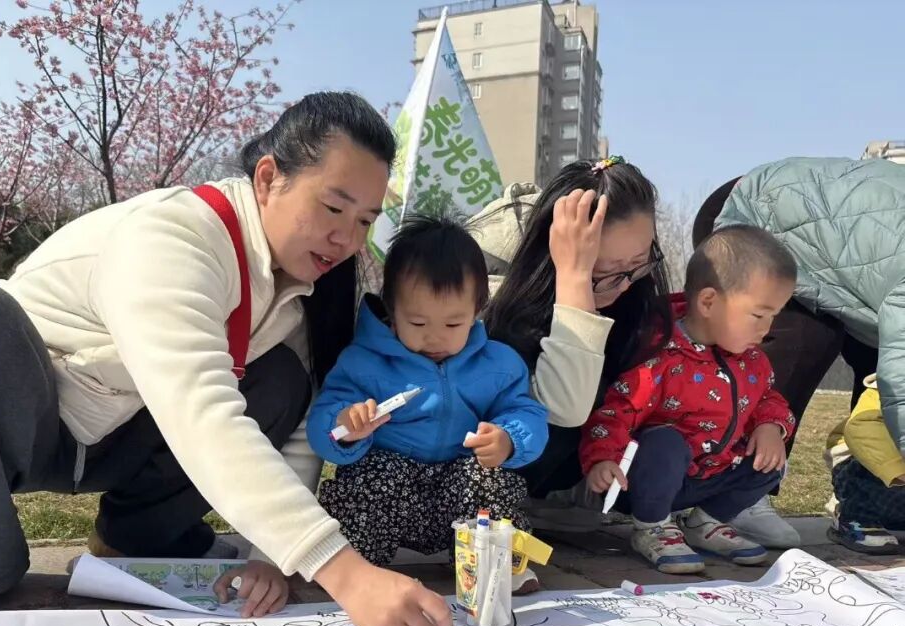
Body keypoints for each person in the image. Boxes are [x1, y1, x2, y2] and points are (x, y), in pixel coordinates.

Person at [0, 92, 454, 626]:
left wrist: (270, 557)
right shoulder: (173, 236)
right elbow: (200, 410)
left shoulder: (299, 291)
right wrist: (347, 574)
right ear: (269, 178)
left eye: (364, 221)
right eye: (333, 208)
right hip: (25, 422)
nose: (346, 239)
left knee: (282, 379)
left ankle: (138, 536)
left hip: (125, 433)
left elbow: (301, 429)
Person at [306, 215, 548, 587]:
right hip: (390, 489)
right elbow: (324, 422)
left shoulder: (498, 364)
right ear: (392, 309)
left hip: (460, 486)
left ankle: (492, 565)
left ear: (478, 309)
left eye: (453, 324)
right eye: (418, 323)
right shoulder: (365, 362)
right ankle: (356, 567)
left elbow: (525, 411)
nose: (435, 338)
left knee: (490, 479)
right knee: (366, 481)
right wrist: (346, 424)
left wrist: (508, 438)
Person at [693, 156, 905, 546]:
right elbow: (902, 384)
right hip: (752, 216)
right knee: (808, 340)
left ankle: (865, 503)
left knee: (875, 371)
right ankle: (738, 493)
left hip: (843, 266)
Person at [580, 225, 797, 573]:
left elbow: (768, 398)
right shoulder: (661, 354)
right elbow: (618, 411)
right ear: (708, 302)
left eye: (774, 316)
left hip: (711, 475)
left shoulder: (752, 360)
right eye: (758, 315)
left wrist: (772, 426)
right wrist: (602, 459)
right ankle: (652, 528)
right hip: (645, 481)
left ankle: (705, 523)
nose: (766, 328)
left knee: (771, 462)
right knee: (665, 442)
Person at [471, 157, 673, 529]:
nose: (625, 286)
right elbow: (565, 408)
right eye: (606, 272)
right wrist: (575, 277)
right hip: (490, 460)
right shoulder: (491, 282)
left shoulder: (630, 290)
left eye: (640, 263)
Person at [823, 374, 904, 553]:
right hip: (863, 461)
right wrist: (897, 470)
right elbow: (863, 427)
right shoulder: (891, 386)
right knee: (869, 466)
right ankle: (854, 517)